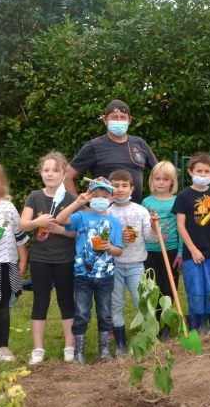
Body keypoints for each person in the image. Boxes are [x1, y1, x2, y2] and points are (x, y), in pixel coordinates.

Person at [56, 177, 124, 365]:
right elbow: (60, 219)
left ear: (111, 199)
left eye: (104, 194)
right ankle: (79, 352)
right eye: (95, 194)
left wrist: (109, 247)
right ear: (89, 196)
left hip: (105, 276)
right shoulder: (81, 217)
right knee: (82, 313)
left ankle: (104, 350)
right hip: (82, 276)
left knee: (105, 313)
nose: (100, 198)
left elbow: (119, 250)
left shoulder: (114, 222)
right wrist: (77, 202)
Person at [20, 152, 77, 365]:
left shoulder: (71, 199)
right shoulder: (35, 196)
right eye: (46, 170)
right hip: (40, 259)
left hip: (65, 258)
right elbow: (23, 224)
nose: (50, 174)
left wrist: (58, 229)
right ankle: (37, 348)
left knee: (66, 301)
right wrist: (38, 222)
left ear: (63, 174)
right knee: (40, 301)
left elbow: (76, 231)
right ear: (41, 173)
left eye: (55, 170)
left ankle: (69, 346)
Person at [172, 152, 210, 336]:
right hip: (191, 253)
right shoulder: (183, 196)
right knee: (195, 289)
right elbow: (180, 226)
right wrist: (193, 250)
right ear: (190, 172)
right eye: (199, 171)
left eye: (207, 171)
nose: (203, 175)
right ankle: (197, 326)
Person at [65, 100, 157, 203]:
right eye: (114, 117)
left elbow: (161, 173)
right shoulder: (93, 146)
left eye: (122, 117)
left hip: (135, 213)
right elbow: (66, 176)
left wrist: (155, 202)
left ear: (129, 120)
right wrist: (80, 207)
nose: (118, 121)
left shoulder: (140, 143)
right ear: (105, 120)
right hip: (104, 214)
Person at [0, 161, 28, 363]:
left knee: (1, 307)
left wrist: (23, 258)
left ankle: (2, 348)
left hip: (5, 264)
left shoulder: (8, 206)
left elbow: (19, 234)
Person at [108, 169, 154, 353]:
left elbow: (150, 238)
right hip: (113, 265)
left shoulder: (141, 211)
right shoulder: (107, 212)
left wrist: (156, 227)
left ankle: (148, 337)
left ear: (132, 188)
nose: (120, 189)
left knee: (142, 301)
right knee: (115, 304)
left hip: (136, 265)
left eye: (124, 185)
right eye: (115, 185)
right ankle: (120, 344)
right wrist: (118, 240)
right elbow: (103, 239)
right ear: (109, 188)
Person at [142, 161, 183, 340]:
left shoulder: (177, 201)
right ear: (152, 180)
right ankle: (155, 323)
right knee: (153, 288)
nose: (161, 182)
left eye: (165, 179)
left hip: (172, 250)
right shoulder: (146, 202)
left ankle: (166, 325)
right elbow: (143, 227)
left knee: (169, 288)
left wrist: (181, 253)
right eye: (157, 179)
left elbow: (181, 229)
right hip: (150, 252)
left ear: (172, 182)